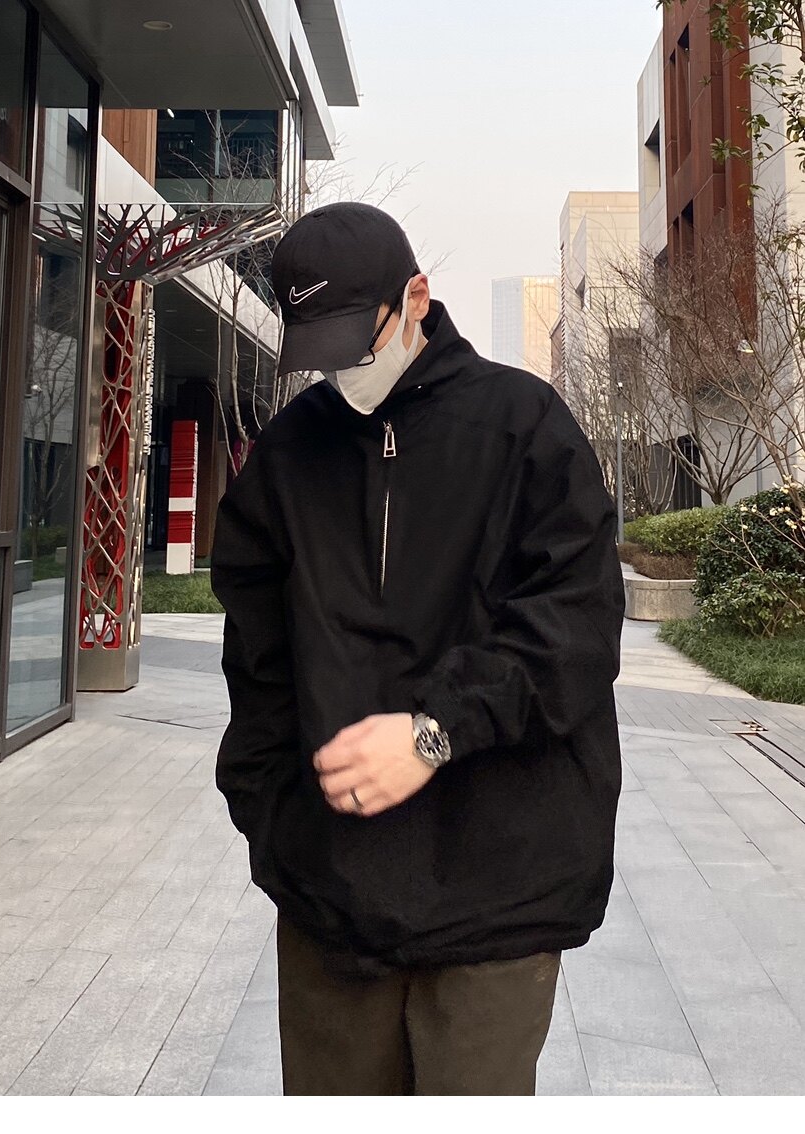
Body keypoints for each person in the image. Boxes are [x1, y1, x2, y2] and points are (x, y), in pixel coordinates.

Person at [210, 202, 626, 1096]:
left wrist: (434, 731)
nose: (344, 373)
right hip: (331, 899)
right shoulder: (288, 457)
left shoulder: (525, 428)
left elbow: (577, 633)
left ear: (417, 300)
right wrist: (276, 824)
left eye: (357, 344)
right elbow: (258, 663)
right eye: (320, 352)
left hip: (498, 892)